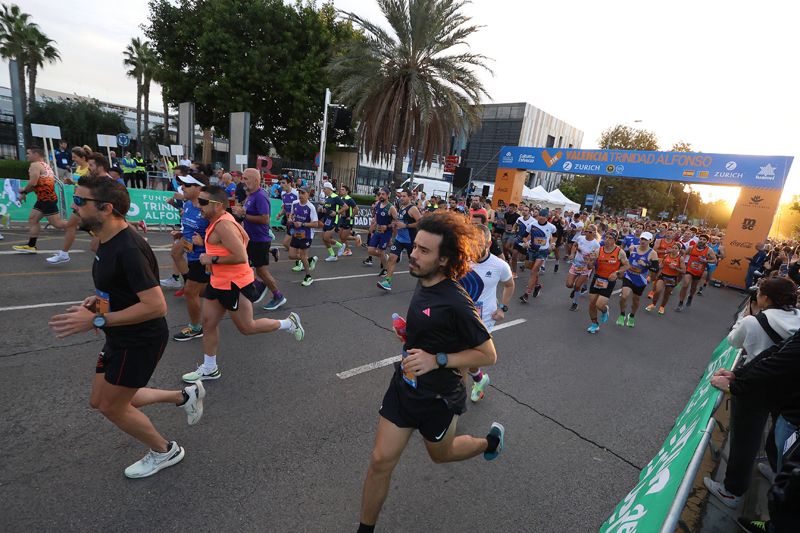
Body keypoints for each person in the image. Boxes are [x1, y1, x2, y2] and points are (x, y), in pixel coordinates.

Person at [48, 174, 205, 478]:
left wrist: (96, 319)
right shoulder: (105, 240)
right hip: (118, 336)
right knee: (101, 400)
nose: (75, 206)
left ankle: (165, 450)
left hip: (140, 340)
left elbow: (156, 305)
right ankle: (184, 396)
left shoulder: (128, 248)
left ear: (106, 208)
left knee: (113, 406)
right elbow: (122, 287)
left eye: (81, 201)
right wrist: (98, 299)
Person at [357, 211, 504, 533]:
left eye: (424, 251)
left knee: (442, 454)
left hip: (438, 397)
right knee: (380, 462)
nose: (413, 254)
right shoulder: (423, 281)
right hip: (405, 386)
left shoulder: (455, 300)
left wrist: (436, 359)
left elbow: (487, 354)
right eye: (416, 247)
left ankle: (488, 443)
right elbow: (435, 327)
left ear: (443, 259)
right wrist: (411, 335)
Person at [181, 185, 304, 383]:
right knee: (208, 323)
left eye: (203, 202)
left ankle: (289, 323)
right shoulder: (215, 221)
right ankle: (209, 368)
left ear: (218, 205)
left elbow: (240, 256)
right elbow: (221, 248)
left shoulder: (224, 225)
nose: (199, 205)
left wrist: (210, 259)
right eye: (199, 201)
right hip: (218, 282)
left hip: (234, 284)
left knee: (247, 328)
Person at [706, 277, 800, 509]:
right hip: (789, 390)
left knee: (745, 442)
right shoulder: (798, 318)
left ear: (765, 298)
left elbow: (734, 341)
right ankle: (778, 472)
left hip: (754, 388)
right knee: (781, 435)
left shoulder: (753, 321)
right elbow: (781, 354)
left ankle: (733, 491)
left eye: (759, 292)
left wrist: (736, 382)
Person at [459, 224, 514, 402]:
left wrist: (503, 308)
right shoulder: (461, 260)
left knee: (464, 360)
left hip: (484, 318)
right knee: (466, 358)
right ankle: (479, 379)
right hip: (459, 315)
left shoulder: (499, 265)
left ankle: (456, 404)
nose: (474, 246)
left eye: (479, 243)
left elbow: (509, 285)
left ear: (489, 244)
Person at [232, 168, 286, 310]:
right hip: (251, 239)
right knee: (247, 266)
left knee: (262, 271)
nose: (243, 181)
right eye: (242, 178)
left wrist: (244, 215)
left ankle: (278, 296)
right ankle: (260, 284)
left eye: (246, 179)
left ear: (256, 180)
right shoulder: (251, 194)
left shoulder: (261, 196)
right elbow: (246, 213)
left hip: (260, 240)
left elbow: (264, 219)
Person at [167, 174, 210, 341]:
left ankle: (196, 328)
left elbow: (222, 236)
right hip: (191, 253)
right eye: (182, 184)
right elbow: (189, 226)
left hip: (203, 257)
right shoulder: (188, 205)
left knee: (191, 292)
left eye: (187, 185)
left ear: (198, 188)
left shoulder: (207, 209)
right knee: (175, 253)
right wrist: (180, 233)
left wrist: (203, 242)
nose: (182, 187)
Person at [13, 147, 70, 254]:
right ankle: (31, 246)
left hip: (47, 199)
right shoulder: (45, 165)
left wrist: (23, 190)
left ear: (36, 154)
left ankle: (86, 226)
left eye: (28, 153)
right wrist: (25, 193)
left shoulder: (35, 165)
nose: (27, 155)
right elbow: (38, 184)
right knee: (33, 219)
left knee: (57, 224)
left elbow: (33, 183)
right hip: (44, 198)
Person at [378, 190, 422, 291]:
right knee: (392, 258)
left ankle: (426, 282)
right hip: (399, 239)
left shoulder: (413, 209)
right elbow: (398, 221)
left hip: (410, 240)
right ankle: (387, 281)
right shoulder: (401, 207)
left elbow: (421, 222)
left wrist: (406, 225)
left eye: (404, 196)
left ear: (410, 197)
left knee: (415, 264)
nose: (401, 198)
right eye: (401, 196)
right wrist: (394, 224)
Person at [586, 229, 628, 334]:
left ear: (615, 240)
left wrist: (616, 273)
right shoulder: (598, 250)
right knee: (591, 304)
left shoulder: (619, 252)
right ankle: (595, 324)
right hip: (597, 278)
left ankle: (604, 310)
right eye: (606, 238)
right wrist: (590, 261)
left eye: (610, 238)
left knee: (599, 305)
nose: (607, 240)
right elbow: (590, 266)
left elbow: (627, 265)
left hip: (609, 280)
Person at [617, 231, 659, 327]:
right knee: (624, 296)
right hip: (629, 275)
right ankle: (622, 314)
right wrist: (620, 271)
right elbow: (623, 259)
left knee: (636, 300)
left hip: (640, 279)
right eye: (641, 239)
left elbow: (656, 268)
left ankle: (631, 315)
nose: (643, 241)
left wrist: (646, 264)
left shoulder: (652, 253)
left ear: (650, 241)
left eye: (645, 239)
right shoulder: (632, 248)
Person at [519, 207, 556, 303]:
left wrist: (552, 244)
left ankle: (526, 294)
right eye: (540, 215)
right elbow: (524, 236)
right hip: (532, 250)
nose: (541, 217)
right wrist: (526, 242)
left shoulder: (551, 227)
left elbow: (555, 236)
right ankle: (537, 285)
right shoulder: (532, 225)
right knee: (530, 268)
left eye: (544, 216)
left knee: (533, 271)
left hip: (543, 251)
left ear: (547, 217)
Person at [675, 234, 717, 312]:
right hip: (689, 270)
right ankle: (680, 302)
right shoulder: (692, 248)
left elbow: (714, 260)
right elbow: (684, 254)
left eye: (704, 240)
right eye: (700, 239)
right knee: (685, 284)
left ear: (707, 241)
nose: (701, 241)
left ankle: (690, 296)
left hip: (699, 272)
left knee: (693, 287)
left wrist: (706, 261)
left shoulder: (709, 250)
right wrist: (682, 263)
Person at [287, 187, 320, 286]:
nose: (300, 195)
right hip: (296, 233)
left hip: (307, 235)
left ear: (308, 194)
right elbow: (291, 214)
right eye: (299, 193)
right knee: (291, 255)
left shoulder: (311, 207)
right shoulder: (295, 203)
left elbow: (315, 224)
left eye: (303, 193)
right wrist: (290, 219)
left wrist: (302, 224)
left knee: (302, 255)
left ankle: (308, 276)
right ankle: (310, 260)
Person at [566, 224, 601, 311]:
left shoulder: (596, 245)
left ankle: (575, 303)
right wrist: (572, 254)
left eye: (589, 232)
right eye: (586, 231)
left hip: (585, 267)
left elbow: (595, 258)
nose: (587, 233)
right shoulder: (580, 238)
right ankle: (575, 290)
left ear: (593, 233)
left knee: (578, 286)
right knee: (569, 284)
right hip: (576, 264)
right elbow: (575, 245)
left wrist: (590, 260)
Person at [646, 242, 685, 315]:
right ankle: (653, 304)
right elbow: (661, 265)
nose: (673, 249)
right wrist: (654, 267)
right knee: (658, 290)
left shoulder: (680, 258)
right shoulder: (666, 255)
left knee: (666, 294)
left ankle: (662, 307)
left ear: (679, 250)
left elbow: (683, 270)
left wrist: (675, 268)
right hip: (663, 275)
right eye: (672, 248)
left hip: (672, 278)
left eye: (676, 248)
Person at [363, 187, 392, 274]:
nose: (381, 196)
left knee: (380, 251)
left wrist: (386, 227)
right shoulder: (378, 205)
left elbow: (396, 222)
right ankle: (384, 257)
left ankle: (385, 270)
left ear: (388, 195)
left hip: (386, 233)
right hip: (377, 231)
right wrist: (372, 228)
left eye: (383, 194)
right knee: (370, 250)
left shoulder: (391, 208)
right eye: (380, 194)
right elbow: (375, 217)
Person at [318, 181, 344, 262]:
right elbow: (327, 210)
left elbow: (345, 207)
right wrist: (322, 210)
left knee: (326, 237)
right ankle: (332, 255)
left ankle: (341, 245)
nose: (323, 191)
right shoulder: (327, 198)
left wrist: (336, 212)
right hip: (327, 220)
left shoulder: (335, 197)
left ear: (329, 189)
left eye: (324, 189)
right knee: (324, 238)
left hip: (334, 220)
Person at [337, 185, 362, 257]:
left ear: (347, 191)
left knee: (344, 236)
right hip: (342, 219)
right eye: (340, 189)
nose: (341, 190)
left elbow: (357, 209)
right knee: (341, 236)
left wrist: (351, 217)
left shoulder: (349, 199)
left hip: (348, 220)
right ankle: (354, 240)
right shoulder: (341, 198)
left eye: (343, 189)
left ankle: (348, 249)